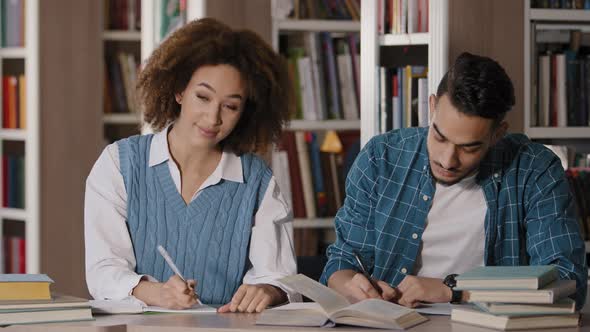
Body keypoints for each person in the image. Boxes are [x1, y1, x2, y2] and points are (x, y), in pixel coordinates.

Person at [320, 52, 587, 309]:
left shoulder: (535, 170)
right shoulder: (382, 158)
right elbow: (343, 260)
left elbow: (567, 281)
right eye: (440, 136)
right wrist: (348, 285)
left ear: (497, 134)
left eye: (468, 148)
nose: (448, 160)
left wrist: (454, 290)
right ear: (432, 106)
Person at [85, 18, 299, 313]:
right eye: (203, 97)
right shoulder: (119, 164)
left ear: (247, 111)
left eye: (231, 106)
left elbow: (280, 278)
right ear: (178, 91)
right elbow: (102, 272)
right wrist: (156, 293)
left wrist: (269, 291)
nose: (213, 118)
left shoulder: (258, 181)